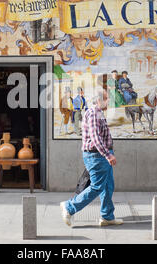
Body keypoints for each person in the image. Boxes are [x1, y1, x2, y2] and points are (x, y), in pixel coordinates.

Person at [60, 90, 123, 227]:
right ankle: (69, 207)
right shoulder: (94, 113)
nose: (109, 102)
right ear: (99, 100)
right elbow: (95, 138)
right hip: (97, 156)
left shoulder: (98, 112)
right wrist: (108, 155)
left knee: (108, 186)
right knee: (97, 187)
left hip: (100, 155)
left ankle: (107, 216)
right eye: (107, 99)